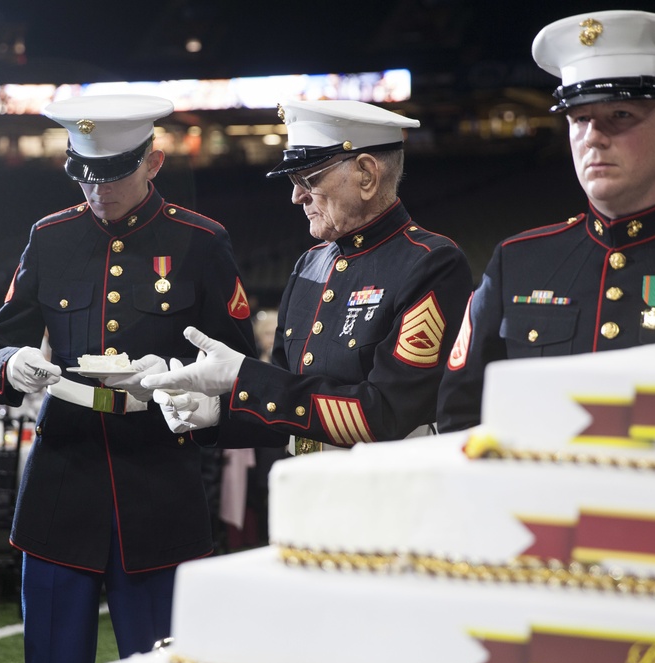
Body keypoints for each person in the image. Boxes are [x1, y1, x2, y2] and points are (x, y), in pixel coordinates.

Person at [0, 94, 272, 663]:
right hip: (61, 489)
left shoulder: (201, 242)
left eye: (113, 176)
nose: (97, 192)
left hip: (160, 491)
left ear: (153, 162)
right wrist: (10, 365)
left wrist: (180, 385)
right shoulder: (51, 236)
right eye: (85, 177)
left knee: (163, 658)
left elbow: (238, 371)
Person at [435, 10, 655, 433]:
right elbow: (460, 417)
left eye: (620, 116)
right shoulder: (516, 263)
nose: (592, 136)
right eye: (578, 118)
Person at [142, 100, 474, 453]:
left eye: (309, 179)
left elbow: (388, 413)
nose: (296, 196)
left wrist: (246, 377)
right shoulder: (310, 264)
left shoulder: (431, 263)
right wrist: (218, 412)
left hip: (388, 492)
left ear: (366, 174)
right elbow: (290, 410)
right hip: (306, 484)